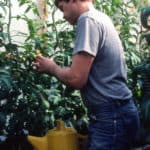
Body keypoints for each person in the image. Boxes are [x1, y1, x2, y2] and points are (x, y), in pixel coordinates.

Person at [35, 0, 140, 149]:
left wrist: (51, 67)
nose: (63, 15)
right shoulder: (101, 17)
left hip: (111, 116)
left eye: (61, 8)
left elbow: (76, 79)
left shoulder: (87, 20)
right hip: (118, 113)